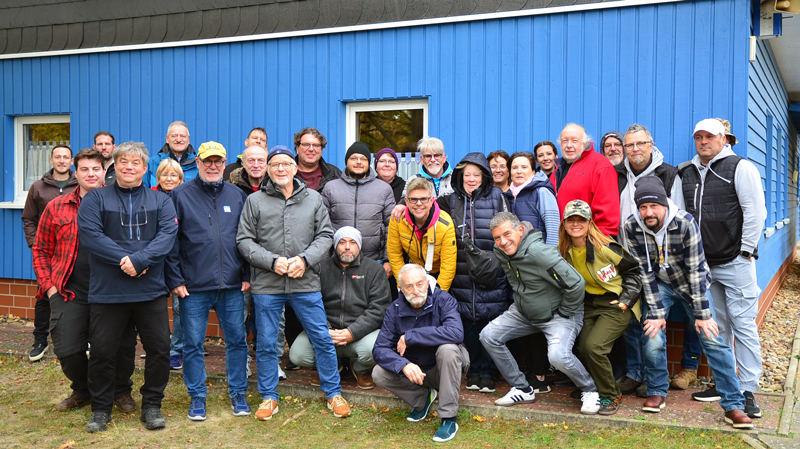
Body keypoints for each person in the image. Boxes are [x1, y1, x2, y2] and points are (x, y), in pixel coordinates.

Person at [623, 176, 753, 429]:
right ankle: (657, 390)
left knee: (711, 337)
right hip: (659, 285)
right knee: (651, 334)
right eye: (643, 207)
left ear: (664, 203)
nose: (648, 213)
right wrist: (656, 312)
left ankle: (733, 404)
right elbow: (644, 271)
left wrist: (702, 314)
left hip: (690, 284)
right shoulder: (632, 226)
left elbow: (695, 272)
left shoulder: (685, 222)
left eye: (654, 206)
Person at [236, 145, 351, 421]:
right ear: (268, 169)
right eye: (275, 164)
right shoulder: (255, 201)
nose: (280, 169)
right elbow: (244, 240)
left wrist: (305, 259)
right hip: (267, 284)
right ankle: (269, 396)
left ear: (295, 167)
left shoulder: (313, 199)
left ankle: (333, 393)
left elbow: (325, 235)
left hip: (305, 282)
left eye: (286, 164)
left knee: (321, 337)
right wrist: (271, 261)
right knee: (266, 342)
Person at [77, 141, 178, 433]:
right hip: (108, 291)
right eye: (123, 162)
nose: (129, 167)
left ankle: (152, 405)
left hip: (150, 290)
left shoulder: (161, 201)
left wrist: (141, 259)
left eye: (136, 163)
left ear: (145, 168)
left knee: (159, 348)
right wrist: (128, 260)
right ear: (115, 165)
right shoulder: (95, 199)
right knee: (102, 351)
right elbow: (91, 236)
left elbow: (167, 235)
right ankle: (100, 409)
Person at [31, 148, 136, 413]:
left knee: (121, 345)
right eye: (84, 169)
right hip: (70, 290)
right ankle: (84, 389)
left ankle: (120, 390)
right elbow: (41, 250)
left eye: (96, 169)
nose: (91, 174)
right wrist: (50, 287)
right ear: (75, 173)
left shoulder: (120, 203)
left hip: (113, 289)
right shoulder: (57, 206)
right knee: (66, 348)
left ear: (104, 172)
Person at [679, 119, 766, 419]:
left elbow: (756, 211)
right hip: (704, 264)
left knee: (743, 325)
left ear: (724, 139)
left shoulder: (740, 167)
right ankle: (726, 384)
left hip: (735, 261)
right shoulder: (687, 172)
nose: (703, 142)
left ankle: (748, 390)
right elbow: (681, 217)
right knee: (720, 327)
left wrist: (746, 251)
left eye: (710, 136)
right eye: (698, 137)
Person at [481, 212, 600, 415]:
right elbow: (514, 280)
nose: (503, 242)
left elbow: (576, 284)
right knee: (488, 335)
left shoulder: (541, 253)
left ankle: (590, 390)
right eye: (497, 237)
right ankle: (522, 388)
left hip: (559, 313)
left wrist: (564, 312)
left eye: (507, 234)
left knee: (557, 357)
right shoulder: (501, 251)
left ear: (520, 230)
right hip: (525, 311)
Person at [165, 141, 251, 421]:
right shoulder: (179, 195)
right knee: (192, 344)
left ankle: (238, 393)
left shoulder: (237, 196)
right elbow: (171, 243)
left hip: (232, 285)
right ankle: (197, 397)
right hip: (194, 287)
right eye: (207, 161)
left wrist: (247, 275)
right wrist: (176, 279)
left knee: (237, 341)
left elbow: (248, 238)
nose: (213, 166)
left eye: (218, 161)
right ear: (198, 163)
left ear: (225, 164)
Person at [614, 123, 692, 397]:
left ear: (651, 145)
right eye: (630, 145)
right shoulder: (618, 174)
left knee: (652, 321)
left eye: (640, 143)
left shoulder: (668, 174)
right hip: (625, 256)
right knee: (631, 319)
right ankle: (634, 373)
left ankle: (653, 377)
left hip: (658, 265)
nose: (635, 149)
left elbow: (678, 218)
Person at [558, 200, 641, 415]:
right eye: (571, 220)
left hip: (615, 303)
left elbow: (633, 271)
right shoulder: (563, 250)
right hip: (588, 304)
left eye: (581, 220)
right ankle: (593, 388)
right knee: (582, 347)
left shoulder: (605, 247)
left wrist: (626, 299)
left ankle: (610, 395)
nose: (576, 224)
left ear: (589, 223)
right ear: (564, 223)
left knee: (594, 347)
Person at [438, 153, 510, 394]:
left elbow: (508, 228)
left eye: (476, 175)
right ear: (460, 177)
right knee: (468, 322)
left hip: (492, 270)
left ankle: (488, 372)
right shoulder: (449, 200)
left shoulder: (497, 196)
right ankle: (474, 370)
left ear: (484, 177)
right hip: (461, 272)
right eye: (467, 175)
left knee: (490, 321)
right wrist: (401, 203)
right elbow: (424, 207)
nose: (471, 179)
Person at [372, 263, 466, 443]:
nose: (416, 290)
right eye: (409, 286)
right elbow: (379, 349)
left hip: (445, 368)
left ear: (427, 283)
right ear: (400, 288)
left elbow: (456, 333)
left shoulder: (443, 299)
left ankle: (449, 418)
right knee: (378, 373)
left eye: (419, 284)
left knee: (448, 349)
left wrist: (411, 336)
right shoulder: (394, 308)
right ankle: (422, 398)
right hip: (416, 372)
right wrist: (403, 365)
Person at [289, 227, 391, 389]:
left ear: (359, 245)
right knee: (297, 355)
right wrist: (325, 330)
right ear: (335, 246)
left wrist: (352, 332)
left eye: (352, 242)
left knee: (378, 348)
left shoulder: (374, 269)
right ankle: (332, 367)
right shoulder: (320, 268)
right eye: (342, 242)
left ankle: (360, 369)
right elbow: (308, 304)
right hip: (325, 333)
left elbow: (379, 308)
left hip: (360, 335)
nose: (347, 247)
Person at [229, 145, 286, 379]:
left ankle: (273, 362)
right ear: (242, 163)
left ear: (268, 164)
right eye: (250, 160)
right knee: (239, 316)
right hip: (239, 263)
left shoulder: (281, 187)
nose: (255, 164)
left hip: (271, 265)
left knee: (274, 318)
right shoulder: (231, 189)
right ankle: (242, 362)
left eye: (261, 160)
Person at [22, 144, 77, 362]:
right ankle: (40, 340)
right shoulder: (38, 187)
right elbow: (29, 219)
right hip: (45, 253)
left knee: (75, 293)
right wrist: (34, 244)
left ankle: (78, 339)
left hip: (71, 253)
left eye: (66, 157)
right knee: (44, 295)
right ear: (51, 160)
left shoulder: (79, 185)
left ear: (71, 161)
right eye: (58, 157)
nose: (62, 161)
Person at [321, 141, 395, 268]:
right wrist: (325, 260)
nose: (359, 162)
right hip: (338, 260)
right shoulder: (331, 188)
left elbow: (391, 227)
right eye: (354, 158)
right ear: (346, 162)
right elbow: (323, 226)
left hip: (374, 260)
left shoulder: (383, 189)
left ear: (368, 162)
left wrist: (388, 260)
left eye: (363, 159)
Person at [387, 177, 457, 291]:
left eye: (424, 199)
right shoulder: (397, 219)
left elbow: (448, 266)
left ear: (432, 200)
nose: (419, 204)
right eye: (414, 199)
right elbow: (394, 254)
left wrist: (438, 294)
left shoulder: (445, 223)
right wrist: (403, 285)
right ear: (406, 201)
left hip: (437, 274)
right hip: (411, 273)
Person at [550, 124, 620, 237]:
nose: (569, 145)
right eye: (564, 141)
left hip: (587, 241)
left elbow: (607, 216)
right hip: (562, 240)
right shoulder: (558, 168)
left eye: (574, 141)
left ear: (585, 143)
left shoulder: (600, 165)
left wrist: (597, 242)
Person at [152, 159, 186, 371]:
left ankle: (177, 350)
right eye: (164, 174)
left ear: (181, 179)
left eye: (174, 175)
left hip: (177, 261)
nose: (169, 179)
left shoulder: (185, 198)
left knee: (179, 307)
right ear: (158, 178)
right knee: (153, 307)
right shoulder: (150, 197)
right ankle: (157, 347)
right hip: (154, 260)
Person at [504, 152, 560, 246]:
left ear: (533, 171)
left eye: (524, 167)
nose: (519, 171)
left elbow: (553, 228)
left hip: (538, 253)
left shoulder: (542, 192)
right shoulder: (508, 195)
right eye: (515, 167)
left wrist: (550, 253)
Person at [145, 121, 197, 187]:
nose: (178, 140)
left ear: (188, 139)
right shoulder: (151, 164)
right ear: (167, 138)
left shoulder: (198, 164)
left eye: (183, 136)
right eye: (174, 136)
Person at [293, 127, 342, 192]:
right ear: (297, 149)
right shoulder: (285, 173)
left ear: (321, 150)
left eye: (316, 145)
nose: (311, 149)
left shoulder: (335, 175)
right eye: (306, 144)